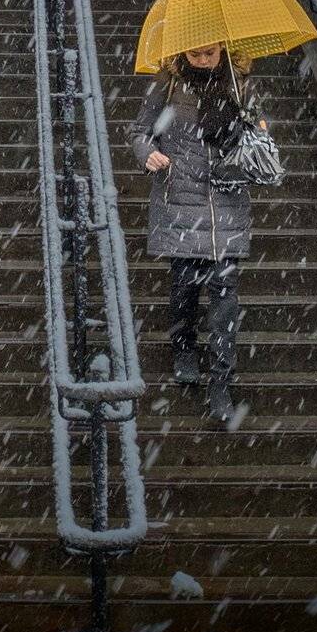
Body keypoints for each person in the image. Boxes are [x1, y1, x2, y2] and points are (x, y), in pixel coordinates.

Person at [127, 42, 266, 425]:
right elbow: (139, 132)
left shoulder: (240, 84)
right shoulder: (168, 84)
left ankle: (221, 381)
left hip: (227, 200)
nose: (203, 60)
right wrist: (147, 153)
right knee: (184, 285)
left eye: (210, 54)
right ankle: (184, 347)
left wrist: (256, 130)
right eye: (195, 55)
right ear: (183, 54)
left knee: (225, 300)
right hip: (181, 200)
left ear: (223, 49)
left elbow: (258, 132)